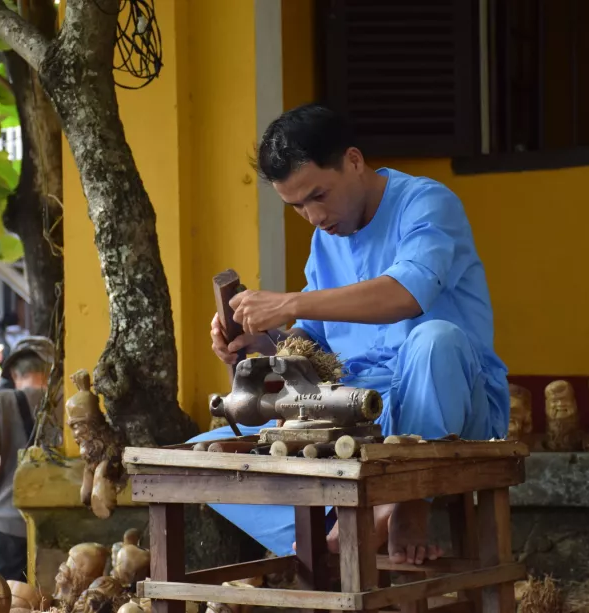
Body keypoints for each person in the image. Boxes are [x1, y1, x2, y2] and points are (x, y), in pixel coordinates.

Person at [192, 104, 510, 565]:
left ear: (354, 161)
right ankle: (337, 528)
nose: (312, 216)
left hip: (454, 406)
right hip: (360, 414)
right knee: (203, 458)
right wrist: (260, 346)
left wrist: (289, 302)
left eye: (317, 195)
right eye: (296, 206)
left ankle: (395, 507)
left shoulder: (427, 203)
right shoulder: (327, 235)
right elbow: (314, 349)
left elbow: (407, 293)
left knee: (435, 339)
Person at [0, 337, 61, 608]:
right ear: (50, 370)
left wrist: (9, 479)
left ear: (14, 373)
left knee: (4, 603)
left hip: (8, 521)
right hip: (58, 522)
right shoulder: (67, 403)